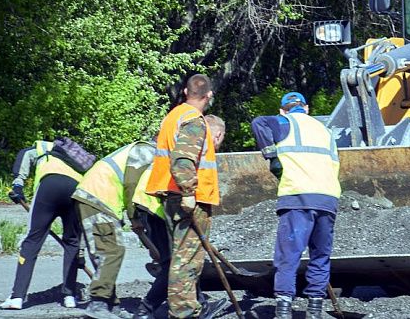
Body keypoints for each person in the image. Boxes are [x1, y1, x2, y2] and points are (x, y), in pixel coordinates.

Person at [250, 92, 341, 319]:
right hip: (328, 197)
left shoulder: (285, 122)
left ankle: (283, 308)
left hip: (298, 196)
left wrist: (272, 157)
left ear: (283, 110)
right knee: (320, 256)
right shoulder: (326, 131)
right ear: (307, 108)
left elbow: (258, 122)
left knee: (288, 255)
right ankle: (315, 309)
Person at [131, 114, 228, 319]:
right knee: (176, 263)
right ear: (217, 135)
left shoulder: (184, 143)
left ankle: (197, 304)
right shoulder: (193, 148)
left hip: (154, 204)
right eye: (220, 140)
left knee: (184, 259)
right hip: (154, 207)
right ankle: (147, 310)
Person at [144, 74, 221, 319]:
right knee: (187, 260)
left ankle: (181, 309)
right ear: (208, 96)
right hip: (189, 198)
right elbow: (182, 160)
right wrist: (189, 192)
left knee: (180, 256)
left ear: (187, 92)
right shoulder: (194, 120)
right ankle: (184, 312)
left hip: (170, 195)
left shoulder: (173, 116)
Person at [72, 140, 157, 319]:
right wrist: (135, 217)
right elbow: (132, 184)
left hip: (95, 196)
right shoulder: (146, 150)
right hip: (99, 198)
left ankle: (111, 306)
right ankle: (98, 304)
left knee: (105, 251)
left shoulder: (143, 149)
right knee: (111, 252)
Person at [0, 140, 87, 310]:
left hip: (50, 186)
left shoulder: (44, 147)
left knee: (32, 241)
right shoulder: (80, 159)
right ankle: (69, 296)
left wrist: (18, 185)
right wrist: (80, 253)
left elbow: (25, 155)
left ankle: (17, 297)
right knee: (72, 242)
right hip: (76, 190)